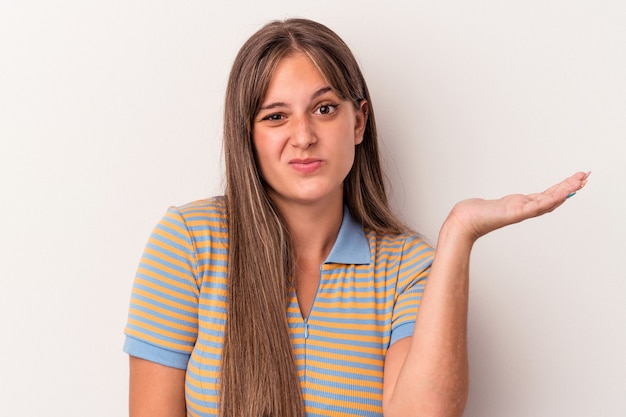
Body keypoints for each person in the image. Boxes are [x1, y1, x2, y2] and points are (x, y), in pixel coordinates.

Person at [123, 18, 589, 417]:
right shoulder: (188, 242)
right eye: (275, 117)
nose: (303, 136)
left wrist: (458, 235)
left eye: (324, 109)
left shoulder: (408, 267)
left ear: (359, 121)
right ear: (247, 134)